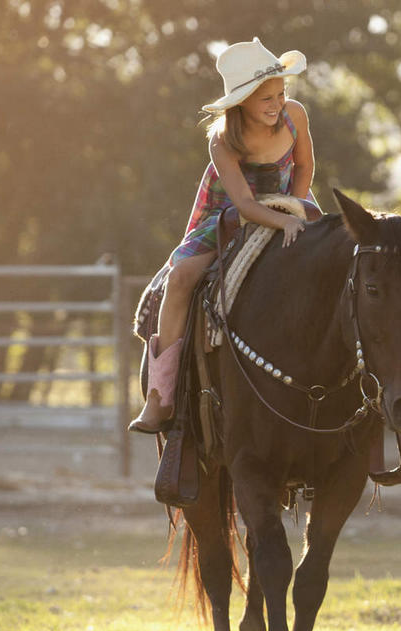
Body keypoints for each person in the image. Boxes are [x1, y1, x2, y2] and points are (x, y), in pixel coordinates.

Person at [130, 37, 318, 433]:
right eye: (265, 97)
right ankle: (160, 394)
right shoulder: (223, 139)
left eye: (280, 93)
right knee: (182, 277)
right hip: (230, 210)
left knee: (337, 255)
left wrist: (295, 209)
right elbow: (245, 206)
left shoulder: (294, 115)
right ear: (241, 101)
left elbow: (303, 167)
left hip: (289, 197)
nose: (276, 103)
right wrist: (281, 222)